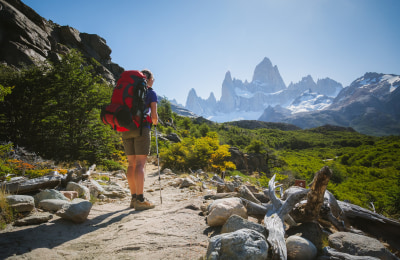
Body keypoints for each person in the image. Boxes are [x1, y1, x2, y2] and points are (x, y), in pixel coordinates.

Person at [122, 69, 158, 210]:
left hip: (125, 129)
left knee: (131, 164)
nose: (153, 81)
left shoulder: (129, 90)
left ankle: (133, 199)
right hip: (141, 128)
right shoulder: (150, 92)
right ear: (148, 79)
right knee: (140, 165)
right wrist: (155, 121)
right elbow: (154, 117)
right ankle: (141, 199)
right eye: (153, 78)